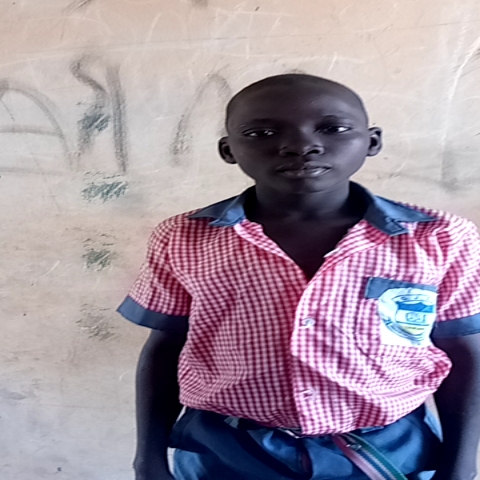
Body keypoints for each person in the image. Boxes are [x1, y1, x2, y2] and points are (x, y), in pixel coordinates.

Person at [118, 74, 480, 480]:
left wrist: (460, 467)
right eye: (262, 133)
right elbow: (166, 347)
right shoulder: (185, 237)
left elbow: (462, 351)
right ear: (228, 150)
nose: (301, 145)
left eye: (333, 128)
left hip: (387, 452)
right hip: (226, 452)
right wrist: (147, 460)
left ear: (372, 141)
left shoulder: (439, 238)